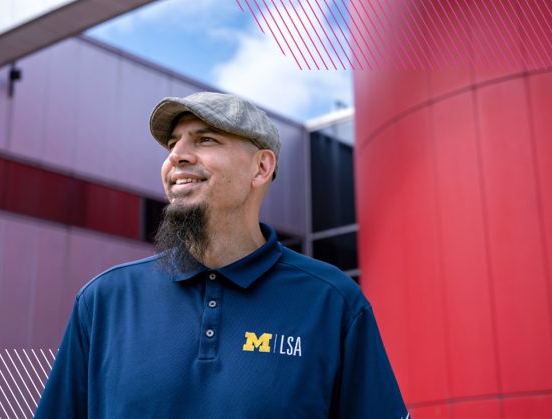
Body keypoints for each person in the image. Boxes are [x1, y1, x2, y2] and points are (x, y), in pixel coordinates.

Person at [35, 92, 408, 418]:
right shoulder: (104, 300)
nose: (177, 156)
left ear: (261, 167)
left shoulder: (333, 302)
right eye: (172, 145)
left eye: (205, 139)